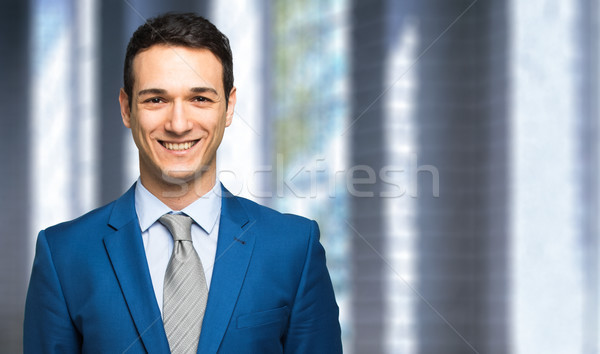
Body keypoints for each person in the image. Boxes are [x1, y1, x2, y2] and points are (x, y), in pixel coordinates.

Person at [24, 12, 342, 354]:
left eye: (200, 98)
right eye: (156, 99)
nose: (178, 124)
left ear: (229, 106)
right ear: (126, 108)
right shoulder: (64, 255)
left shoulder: (294, 248)